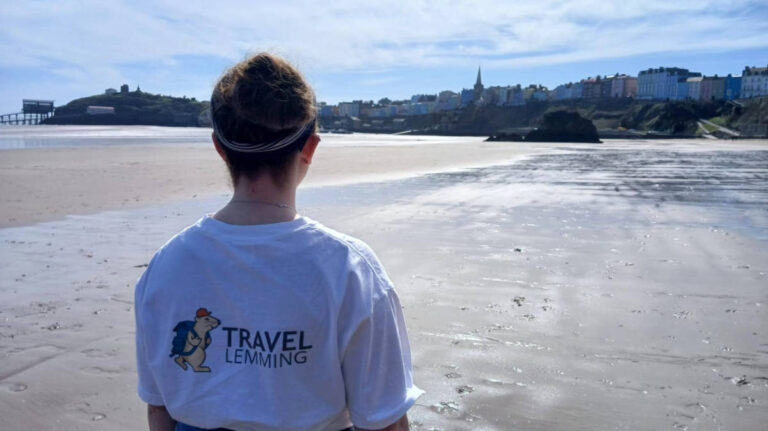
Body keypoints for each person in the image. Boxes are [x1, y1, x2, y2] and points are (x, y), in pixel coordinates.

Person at [134, 53, 423, 431]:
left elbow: (159, 410)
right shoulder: (349, 268)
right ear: (309, 148)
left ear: (220, 148)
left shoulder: (166, 265)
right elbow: (386, 420)